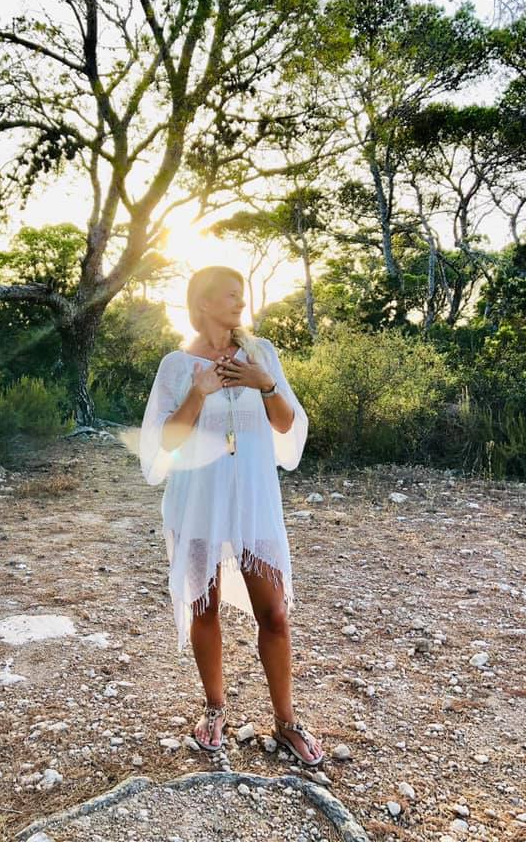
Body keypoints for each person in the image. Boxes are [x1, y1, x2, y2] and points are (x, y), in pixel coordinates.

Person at [139, 266, 324, 767]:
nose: (240, 302)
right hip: (198, 502)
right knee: (205, 609)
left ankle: (286, 722)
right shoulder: (176, 366)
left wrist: (265, 384)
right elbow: (166, 444)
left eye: (241, 294)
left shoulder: (262, 355)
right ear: (201, 304)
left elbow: (287, 425)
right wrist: (198, 393)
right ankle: (215, 708)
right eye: (229, 295)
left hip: (254, 501)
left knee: (275, 613)